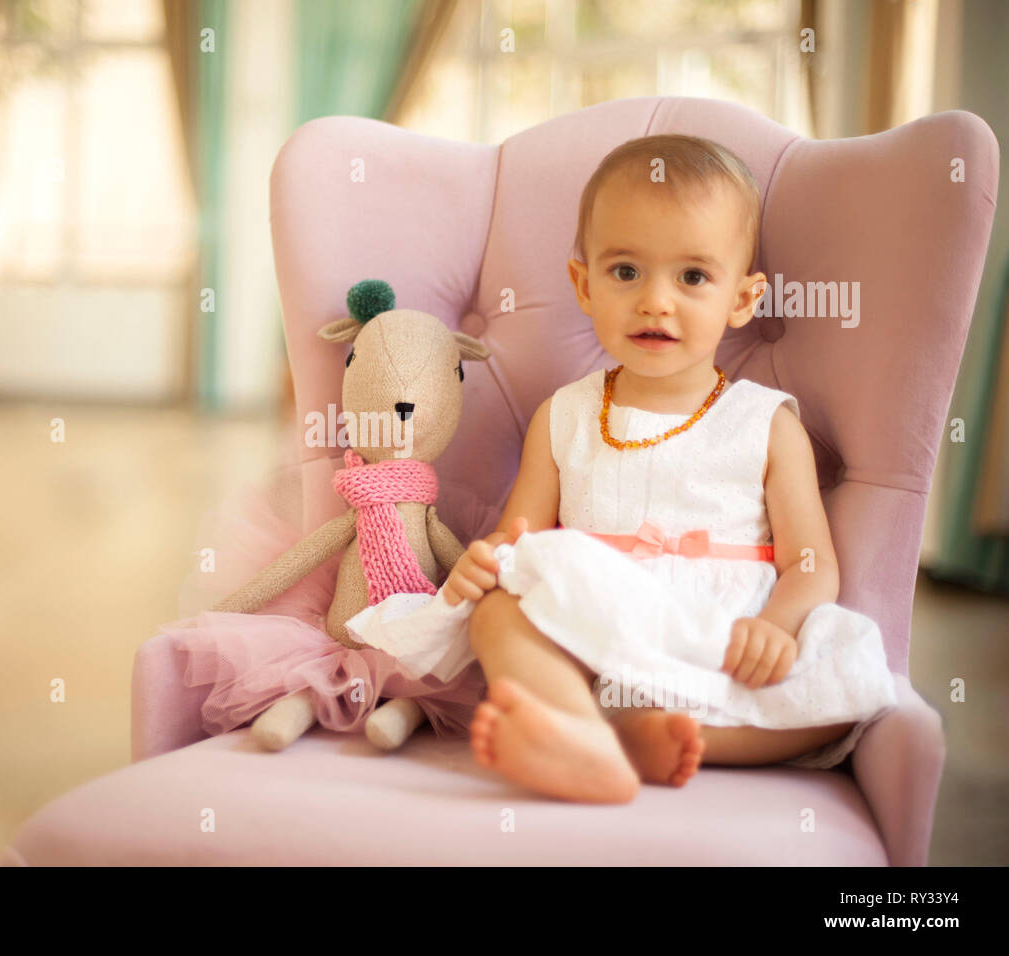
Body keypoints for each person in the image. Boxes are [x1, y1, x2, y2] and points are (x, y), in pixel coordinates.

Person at [343, 134, 897, 803]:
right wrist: (480, 563)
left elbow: (814, 562)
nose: (655, 301)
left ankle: (629, 739)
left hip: (719, 631)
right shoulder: (566, 414)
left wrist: (777, 625)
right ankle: (579, 731)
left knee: (845, 684)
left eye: (692, 277)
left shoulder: (768, 423)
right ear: (584, 282)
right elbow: (518, 540)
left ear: (743, 300)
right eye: (626, 272)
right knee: (497, 612)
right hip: (595, 622)